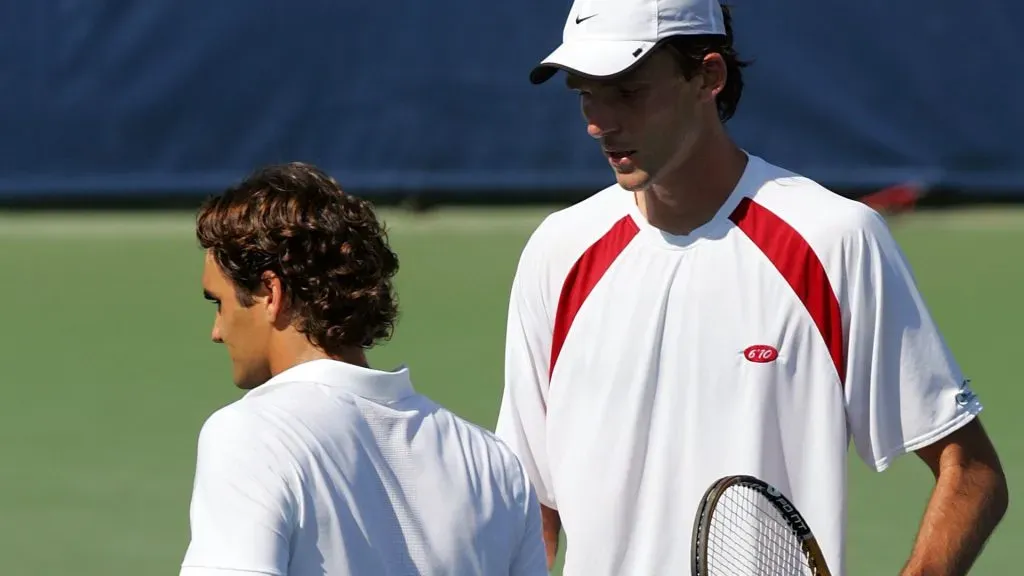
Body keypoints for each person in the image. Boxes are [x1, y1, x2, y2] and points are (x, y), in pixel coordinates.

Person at [494, 1, 1008, 575]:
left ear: (709, 76)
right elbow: (531, 504)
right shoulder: (556, 252)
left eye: (628, 91)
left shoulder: (834, 241)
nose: (599, 120)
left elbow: (971, 471)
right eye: (586, 93)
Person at [180, 162, 547, 576]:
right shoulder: (494, 464)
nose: (217, 330)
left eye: (219, 302)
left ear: (270, 292)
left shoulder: (250, 435)